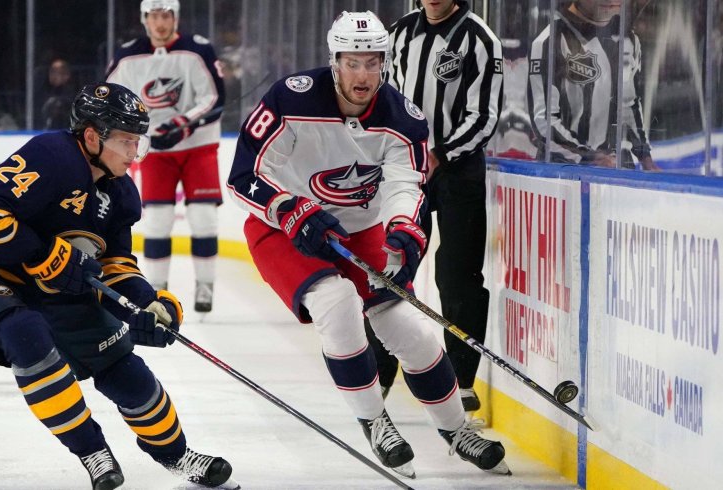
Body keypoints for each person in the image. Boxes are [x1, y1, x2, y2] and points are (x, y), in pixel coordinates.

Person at [227, 11, 510, 477]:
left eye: (373, 63)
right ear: (335, 61)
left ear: (385, 62)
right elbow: (241, 177)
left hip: (359, 229)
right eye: (353, 63)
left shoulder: (403, 118)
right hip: (282, 230)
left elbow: (406, 186)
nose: (364, 75)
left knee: (412, 331)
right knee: (336, 302)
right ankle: (375, 420)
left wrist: (405, 230)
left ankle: (456, 430)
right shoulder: (289, 98)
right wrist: (290, 209)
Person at [0, 83, 238, 490]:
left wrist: (149, 304)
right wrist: (45, 256)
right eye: (126, 141)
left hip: (51, 288)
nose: (135, 154)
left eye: (138, 142)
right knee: (25, 334)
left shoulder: (121, 194)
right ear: (92, 137)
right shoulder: (51, 156)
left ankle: (178, 457)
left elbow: (114, 264)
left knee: (120, 364)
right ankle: (92, 451)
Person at [388, 0, 504, 412]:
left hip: (460, 174)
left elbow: (485, 115)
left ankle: (461, 379)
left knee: (458, 276)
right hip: (405, 172)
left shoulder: (480, 38)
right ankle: (379, 376)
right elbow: (385, 100)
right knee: (391, 269)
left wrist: (441, 153)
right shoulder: (399, 33)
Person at [106, 0, 225, 313]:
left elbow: (214, 97)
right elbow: (112, 97)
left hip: (198, 146)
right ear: (145, 19)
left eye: (166, 15)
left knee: (204, 218)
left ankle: (205, 287)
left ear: (176, 17)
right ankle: (157, 291)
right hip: (155, 150)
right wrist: (139, 131)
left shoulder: (198, 49)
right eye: (155, 16)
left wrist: (184, 123)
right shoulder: (129, 54)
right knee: (157, 222)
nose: (161, 23)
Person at [528, 0, 657, 170]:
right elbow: (544, 121)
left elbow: (628, 104)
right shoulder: (548, 41)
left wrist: (646, 159)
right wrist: (589, 158)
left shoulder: (628, 40)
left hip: (618, 172)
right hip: (565, 173)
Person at [36, 58, 77, 129]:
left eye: (57, 72)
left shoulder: (73, 93)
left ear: (66, 75)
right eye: (52, 71)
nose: (53, 75)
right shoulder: (44, 90)